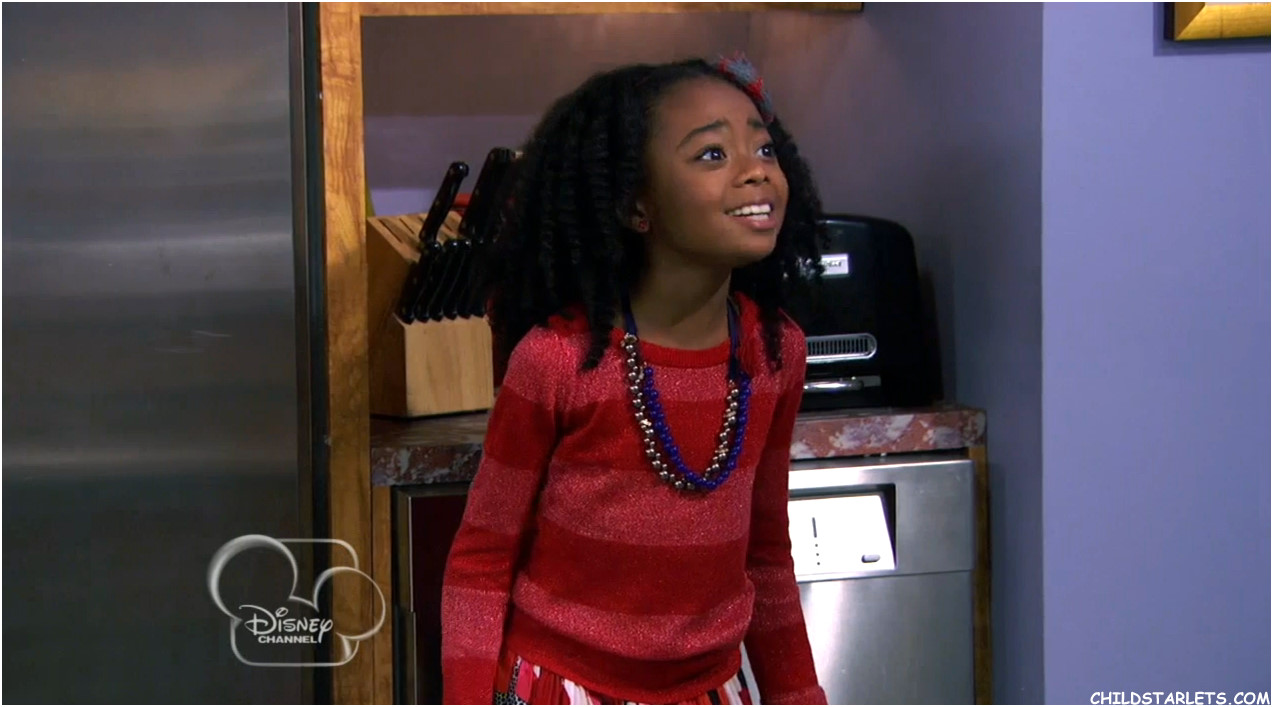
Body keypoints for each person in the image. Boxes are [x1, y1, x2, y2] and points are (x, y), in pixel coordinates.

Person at [440, 54, 828, 706]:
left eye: (763, 148)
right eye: (711, 154)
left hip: (711, 689)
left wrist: (799, 694)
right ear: (635, 205)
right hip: (562, 688)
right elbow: (481, 559)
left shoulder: (774, 352)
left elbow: (765, 556)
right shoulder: (558, 360)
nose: (756, 169)